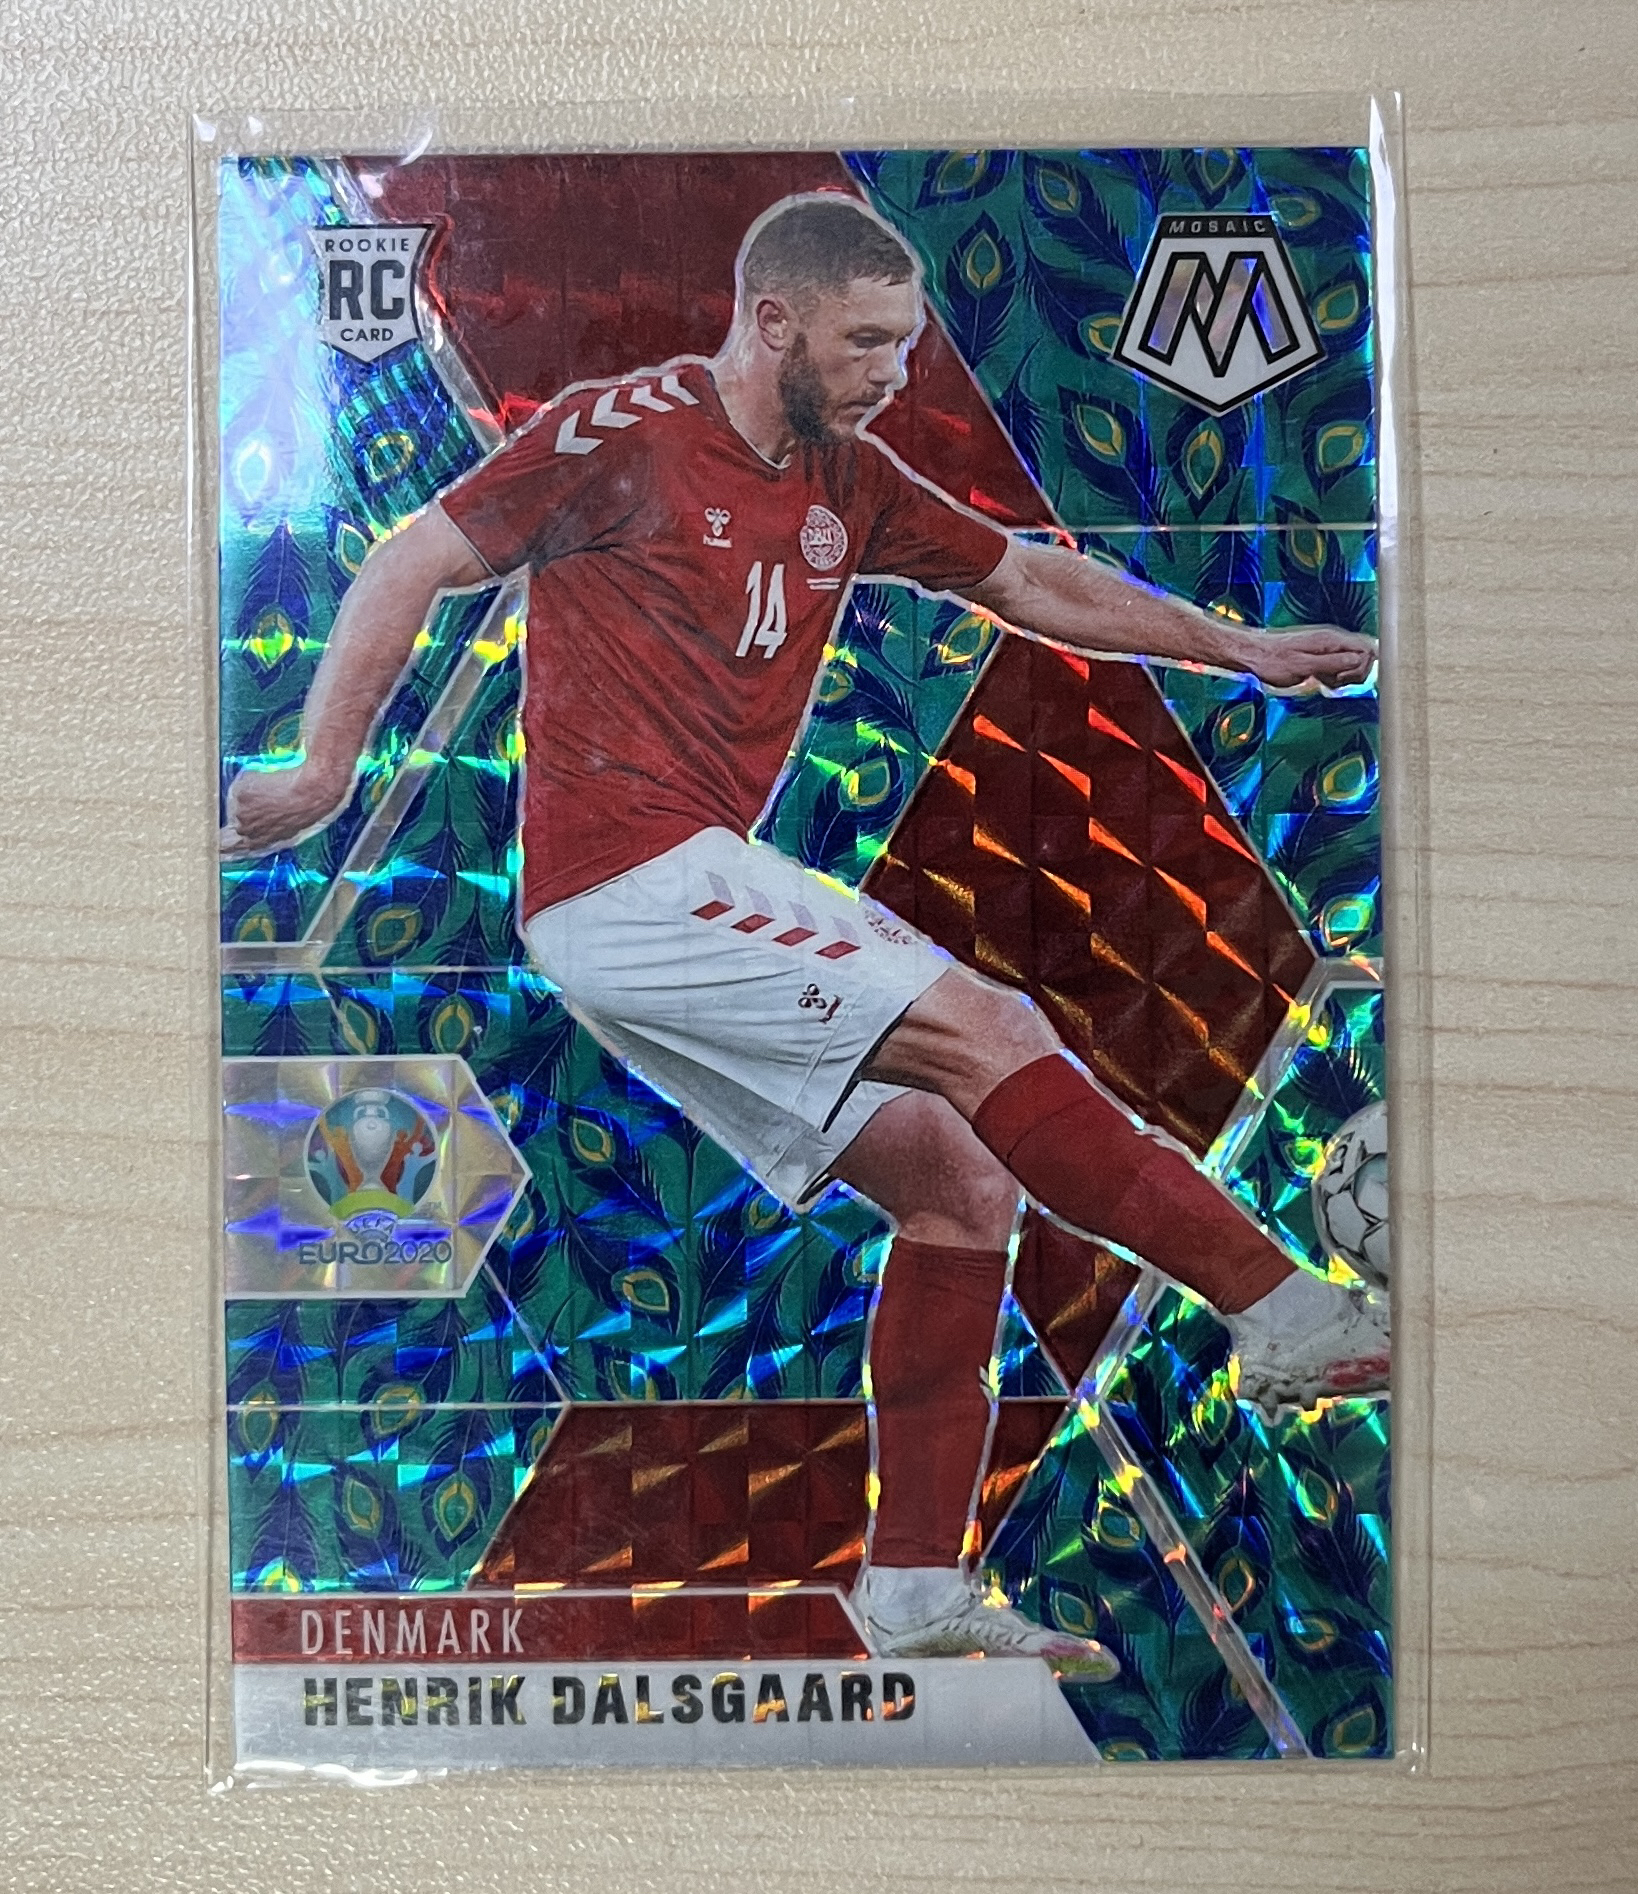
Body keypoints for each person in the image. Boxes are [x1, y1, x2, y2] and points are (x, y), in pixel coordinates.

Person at [224, 193, 1388, 1673]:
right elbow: (411, 558)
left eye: (905, 345)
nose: (891, 373)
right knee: (991, 1031)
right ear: (771, 320)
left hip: (672, 897)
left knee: (957, 1179)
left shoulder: (849, 473)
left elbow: (1026, 577)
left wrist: (1232, 645)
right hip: (626, 879)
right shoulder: (626, 433)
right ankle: (1277, 1307)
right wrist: (322, 771)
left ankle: (910, 1593)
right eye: (865, 342)